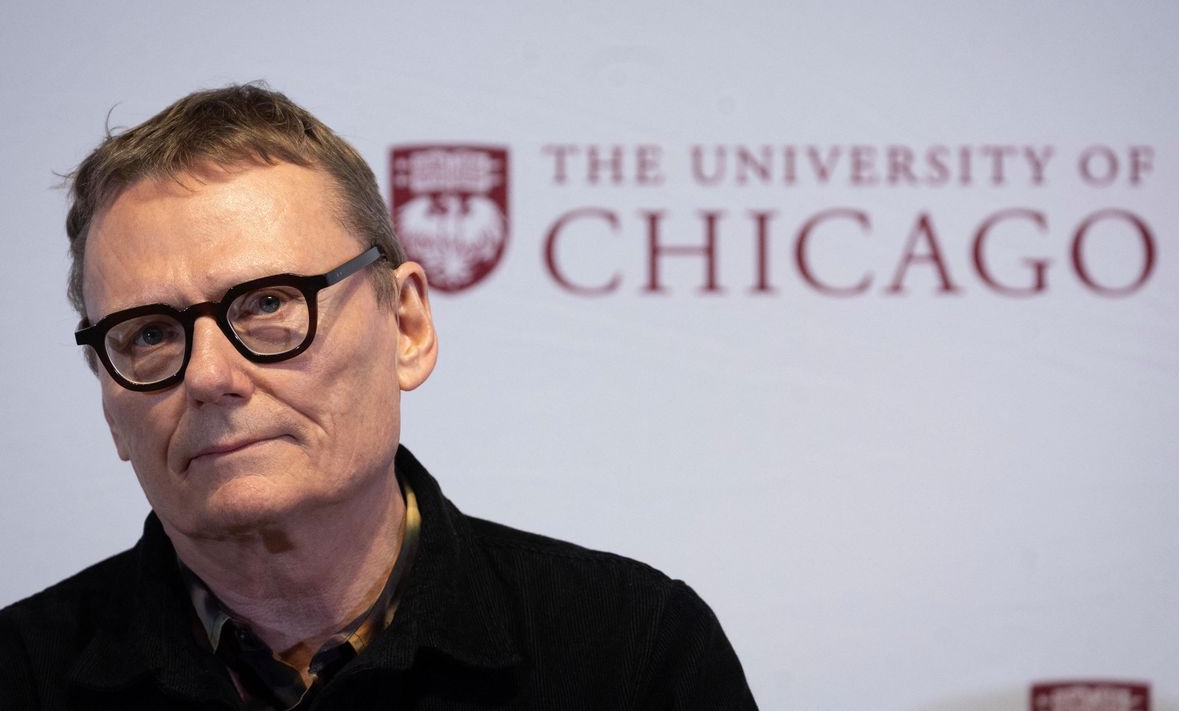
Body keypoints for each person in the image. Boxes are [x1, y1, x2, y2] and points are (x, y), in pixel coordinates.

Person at [0, 84, 757, 710]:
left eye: (267, 303)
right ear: (108, 399)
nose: (208, 375)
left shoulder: (633, 651)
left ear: (406, 326)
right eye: (149, 334)